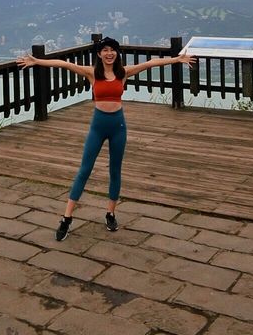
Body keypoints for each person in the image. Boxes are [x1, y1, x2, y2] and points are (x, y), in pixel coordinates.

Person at [17, 36, 197, 241]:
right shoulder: (93, 73)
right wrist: (36, 61)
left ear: (116, 53)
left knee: (115, 170)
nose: (109, 53)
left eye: (113, 50)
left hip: (118, 126)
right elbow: (63, 64)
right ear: (99, 54)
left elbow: (150, 63)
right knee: (84, 170)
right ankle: (66, 218)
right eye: (105, 50)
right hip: (98, 126)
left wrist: (177, 60)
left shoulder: (123, 73)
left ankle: (110, 213)